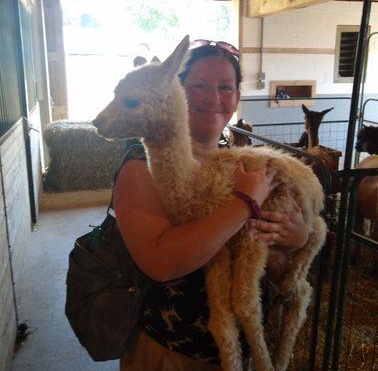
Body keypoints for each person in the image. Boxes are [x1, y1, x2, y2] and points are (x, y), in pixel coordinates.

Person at [115, 40, 309, 370]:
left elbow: (258, 240)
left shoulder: (234, 159)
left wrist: (297, 236)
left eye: (226, 87)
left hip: (239, 347)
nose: (213, 98)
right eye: (199, 86)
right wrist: (245, 201)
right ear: (174, 91)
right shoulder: (141, 165)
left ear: (236, 97)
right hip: (175, 349)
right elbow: (161, 263)